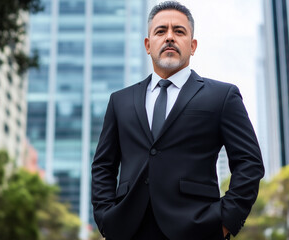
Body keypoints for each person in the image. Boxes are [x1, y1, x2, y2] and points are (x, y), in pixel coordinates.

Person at [91, 1, 264, 240]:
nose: (169, 37)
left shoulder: (222, 96)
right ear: (147, 44)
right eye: (161, 31)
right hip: (128, 228)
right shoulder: (120, 100)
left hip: (199, 227)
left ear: (192, 46)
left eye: (179, 31)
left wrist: (226, 220)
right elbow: (103, 166)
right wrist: (105, 217)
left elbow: (249, 163)